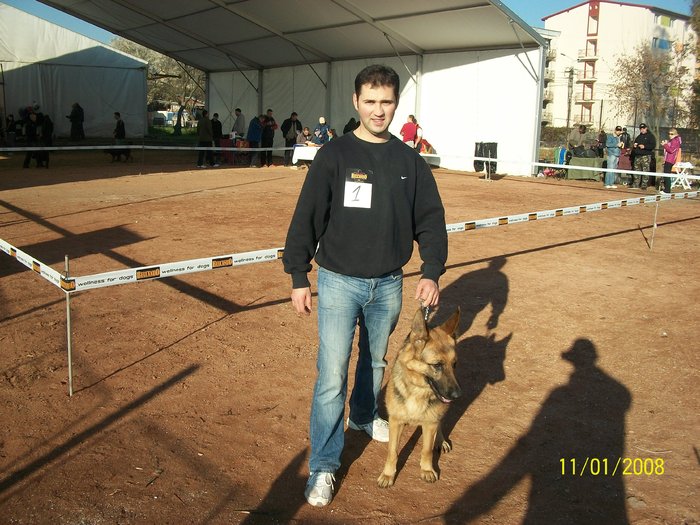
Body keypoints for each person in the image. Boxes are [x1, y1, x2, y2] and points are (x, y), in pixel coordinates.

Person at [283, 64, 448, 508]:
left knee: (375, 362)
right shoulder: (333, 156)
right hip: (338, 282)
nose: (379, 110)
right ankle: (323, 465)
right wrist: (299, 275)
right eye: (370, 101)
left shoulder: (409, 162)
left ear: (396, 104)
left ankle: (364, 416)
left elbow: (430, 219)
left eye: (387, 102)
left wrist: (431, 268)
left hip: (388, 285)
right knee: (332, 376)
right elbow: (307, 217)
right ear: (355, 102)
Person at [630, 123, 656, 190]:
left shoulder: (651, 136)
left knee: (645, 171)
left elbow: (653, 145)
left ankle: (644, 185)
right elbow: (634, 145)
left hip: (645, 156)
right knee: (636, 170)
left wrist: (645, 146)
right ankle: (636, 184)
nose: (642, 130)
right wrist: (634, 146)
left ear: (646, 128)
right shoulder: (638, 137)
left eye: (643, 128)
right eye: (641, 129)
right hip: (637, 156)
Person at [660, 128, 682, 194]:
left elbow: (671, 150)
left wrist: (664, 145)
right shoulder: (673, 140)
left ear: (675, 134)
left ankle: (667, 190)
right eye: (669, 134)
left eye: (671, 134)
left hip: (670, 160)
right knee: (666, 174)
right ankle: (666, 189)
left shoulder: (675, 141)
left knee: (667, 174)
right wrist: (666, 143)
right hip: (668, 159)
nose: (670, 135)